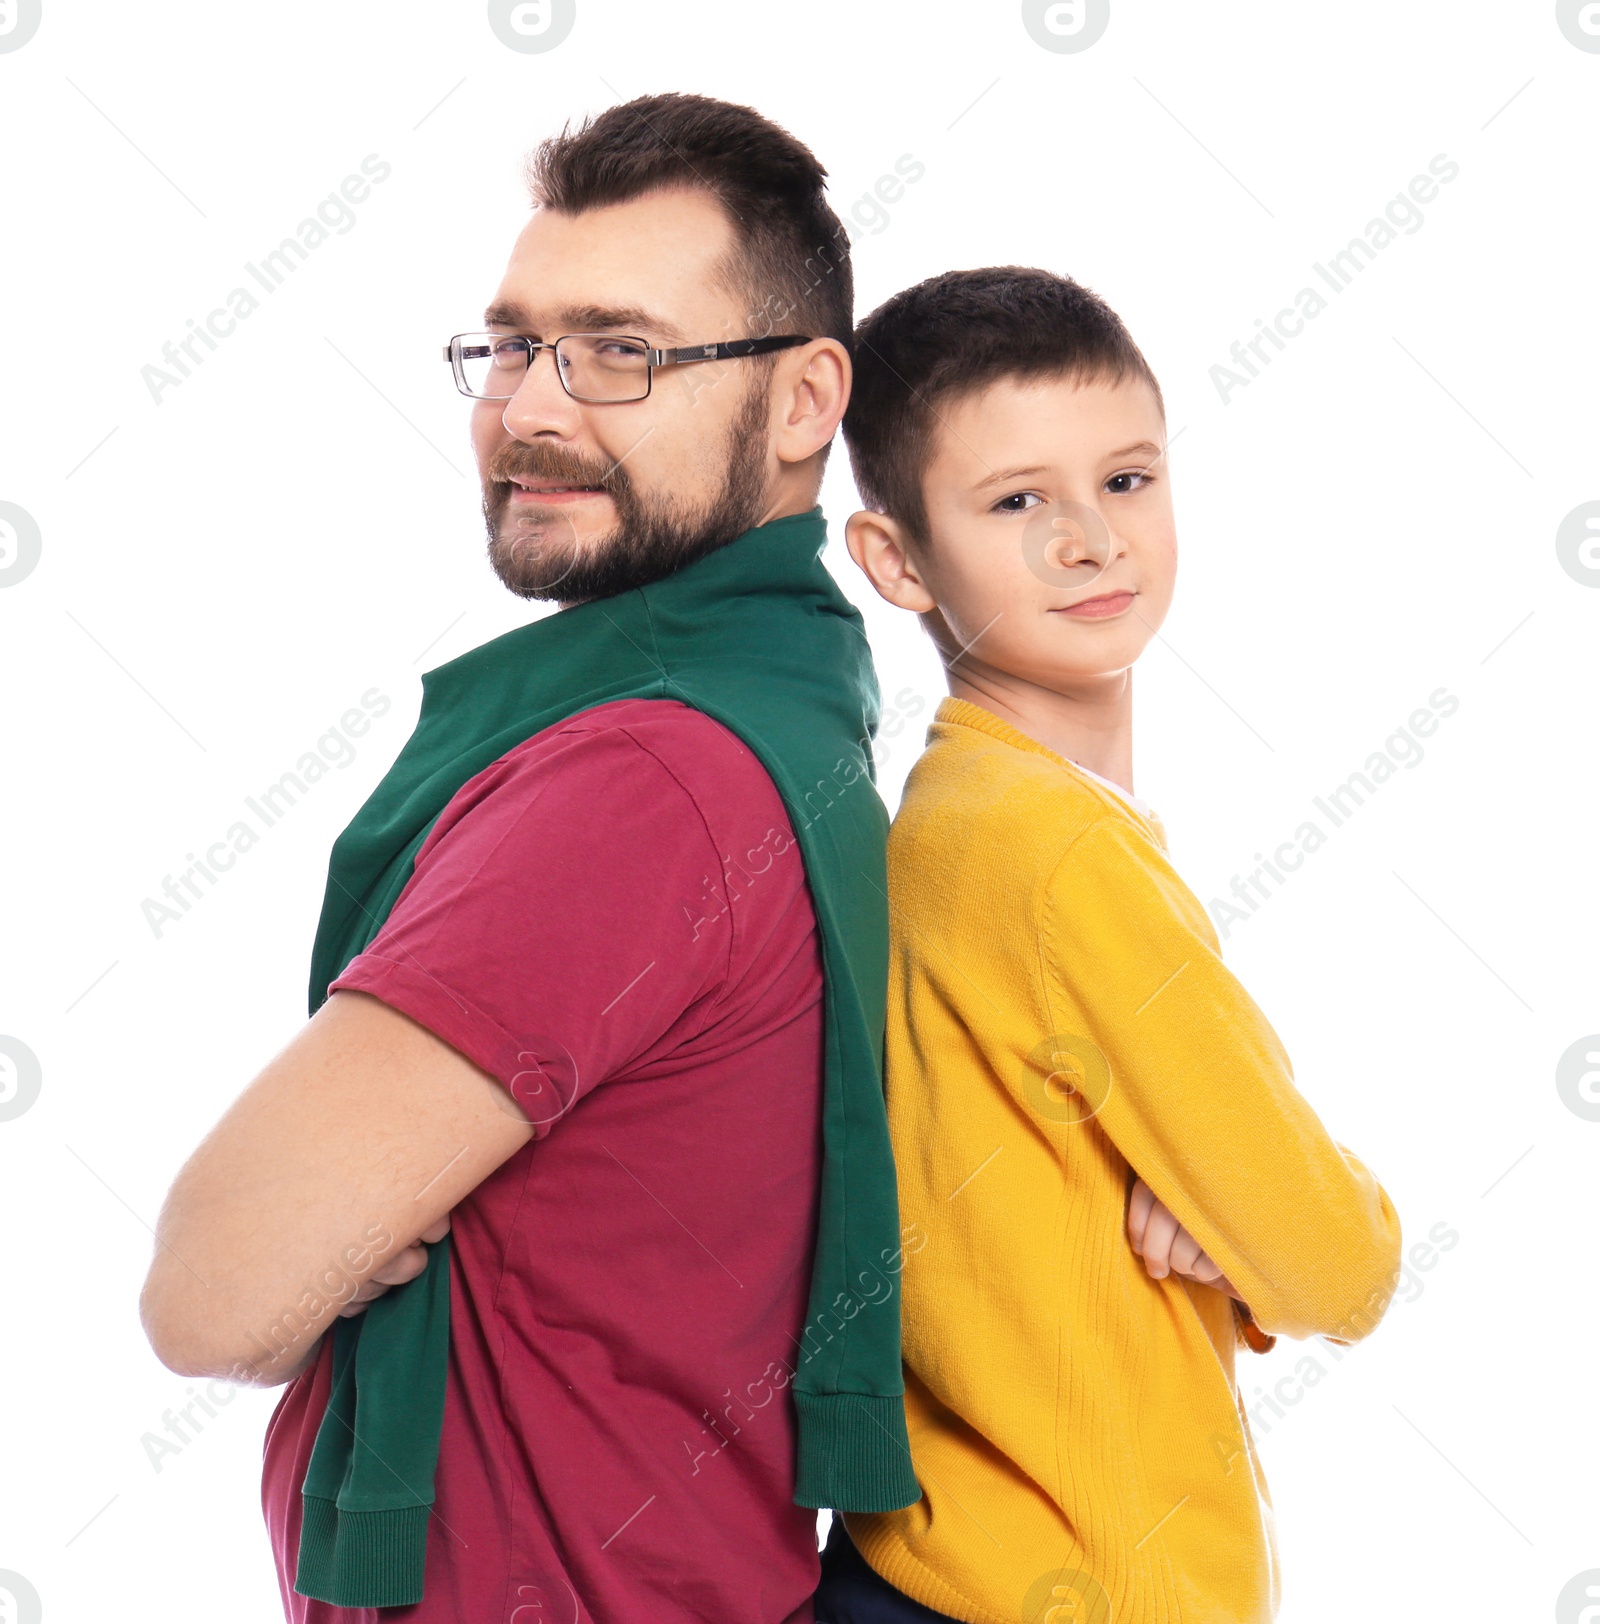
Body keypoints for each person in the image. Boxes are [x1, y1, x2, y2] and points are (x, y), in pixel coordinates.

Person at [138, 93, 921, 1624]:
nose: (534, 411)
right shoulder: (784, 699)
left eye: (621, 351)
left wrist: (328, 1240)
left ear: (804, 399)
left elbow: (212, 1294)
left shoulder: (641, 783)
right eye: (512, 346)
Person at [819, 265, 1403, 1623]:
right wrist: (1262, 1226)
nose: (1090, 540)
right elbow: (1338, 1262)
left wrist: (1225, 1219)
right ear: (896, 560)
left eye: (1127, 479)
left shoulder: (961, 812)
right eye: (1017, 502)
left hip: (940, 1565)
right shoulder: (1057, 856)